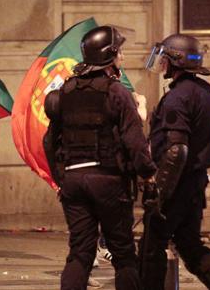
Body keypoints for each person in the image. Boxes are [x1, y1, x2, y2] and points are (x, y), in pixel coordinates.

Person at [43, 25, 156, 290]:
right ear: (110, 55)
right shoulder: (116, 92)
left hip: (73, 179)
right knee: (123, 255)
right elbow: (133, 139)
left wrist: (60, 178)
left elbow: (49, 140)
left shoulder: (67, 91)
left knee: (80, 253)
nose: (124, 58)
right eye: (121, 52)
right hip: (108, 181)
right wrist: (149, 173)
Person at [139, 33, 210, 290]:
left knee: (152, 244)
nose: (162, 64)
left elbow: (177, 151)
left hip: (176, 184)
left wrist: (160, 194)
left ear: (176, 61)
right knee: (189, 243)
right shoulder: (204, 91)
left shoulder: (178, 97)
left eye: (165, 59)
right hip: (195, 183)